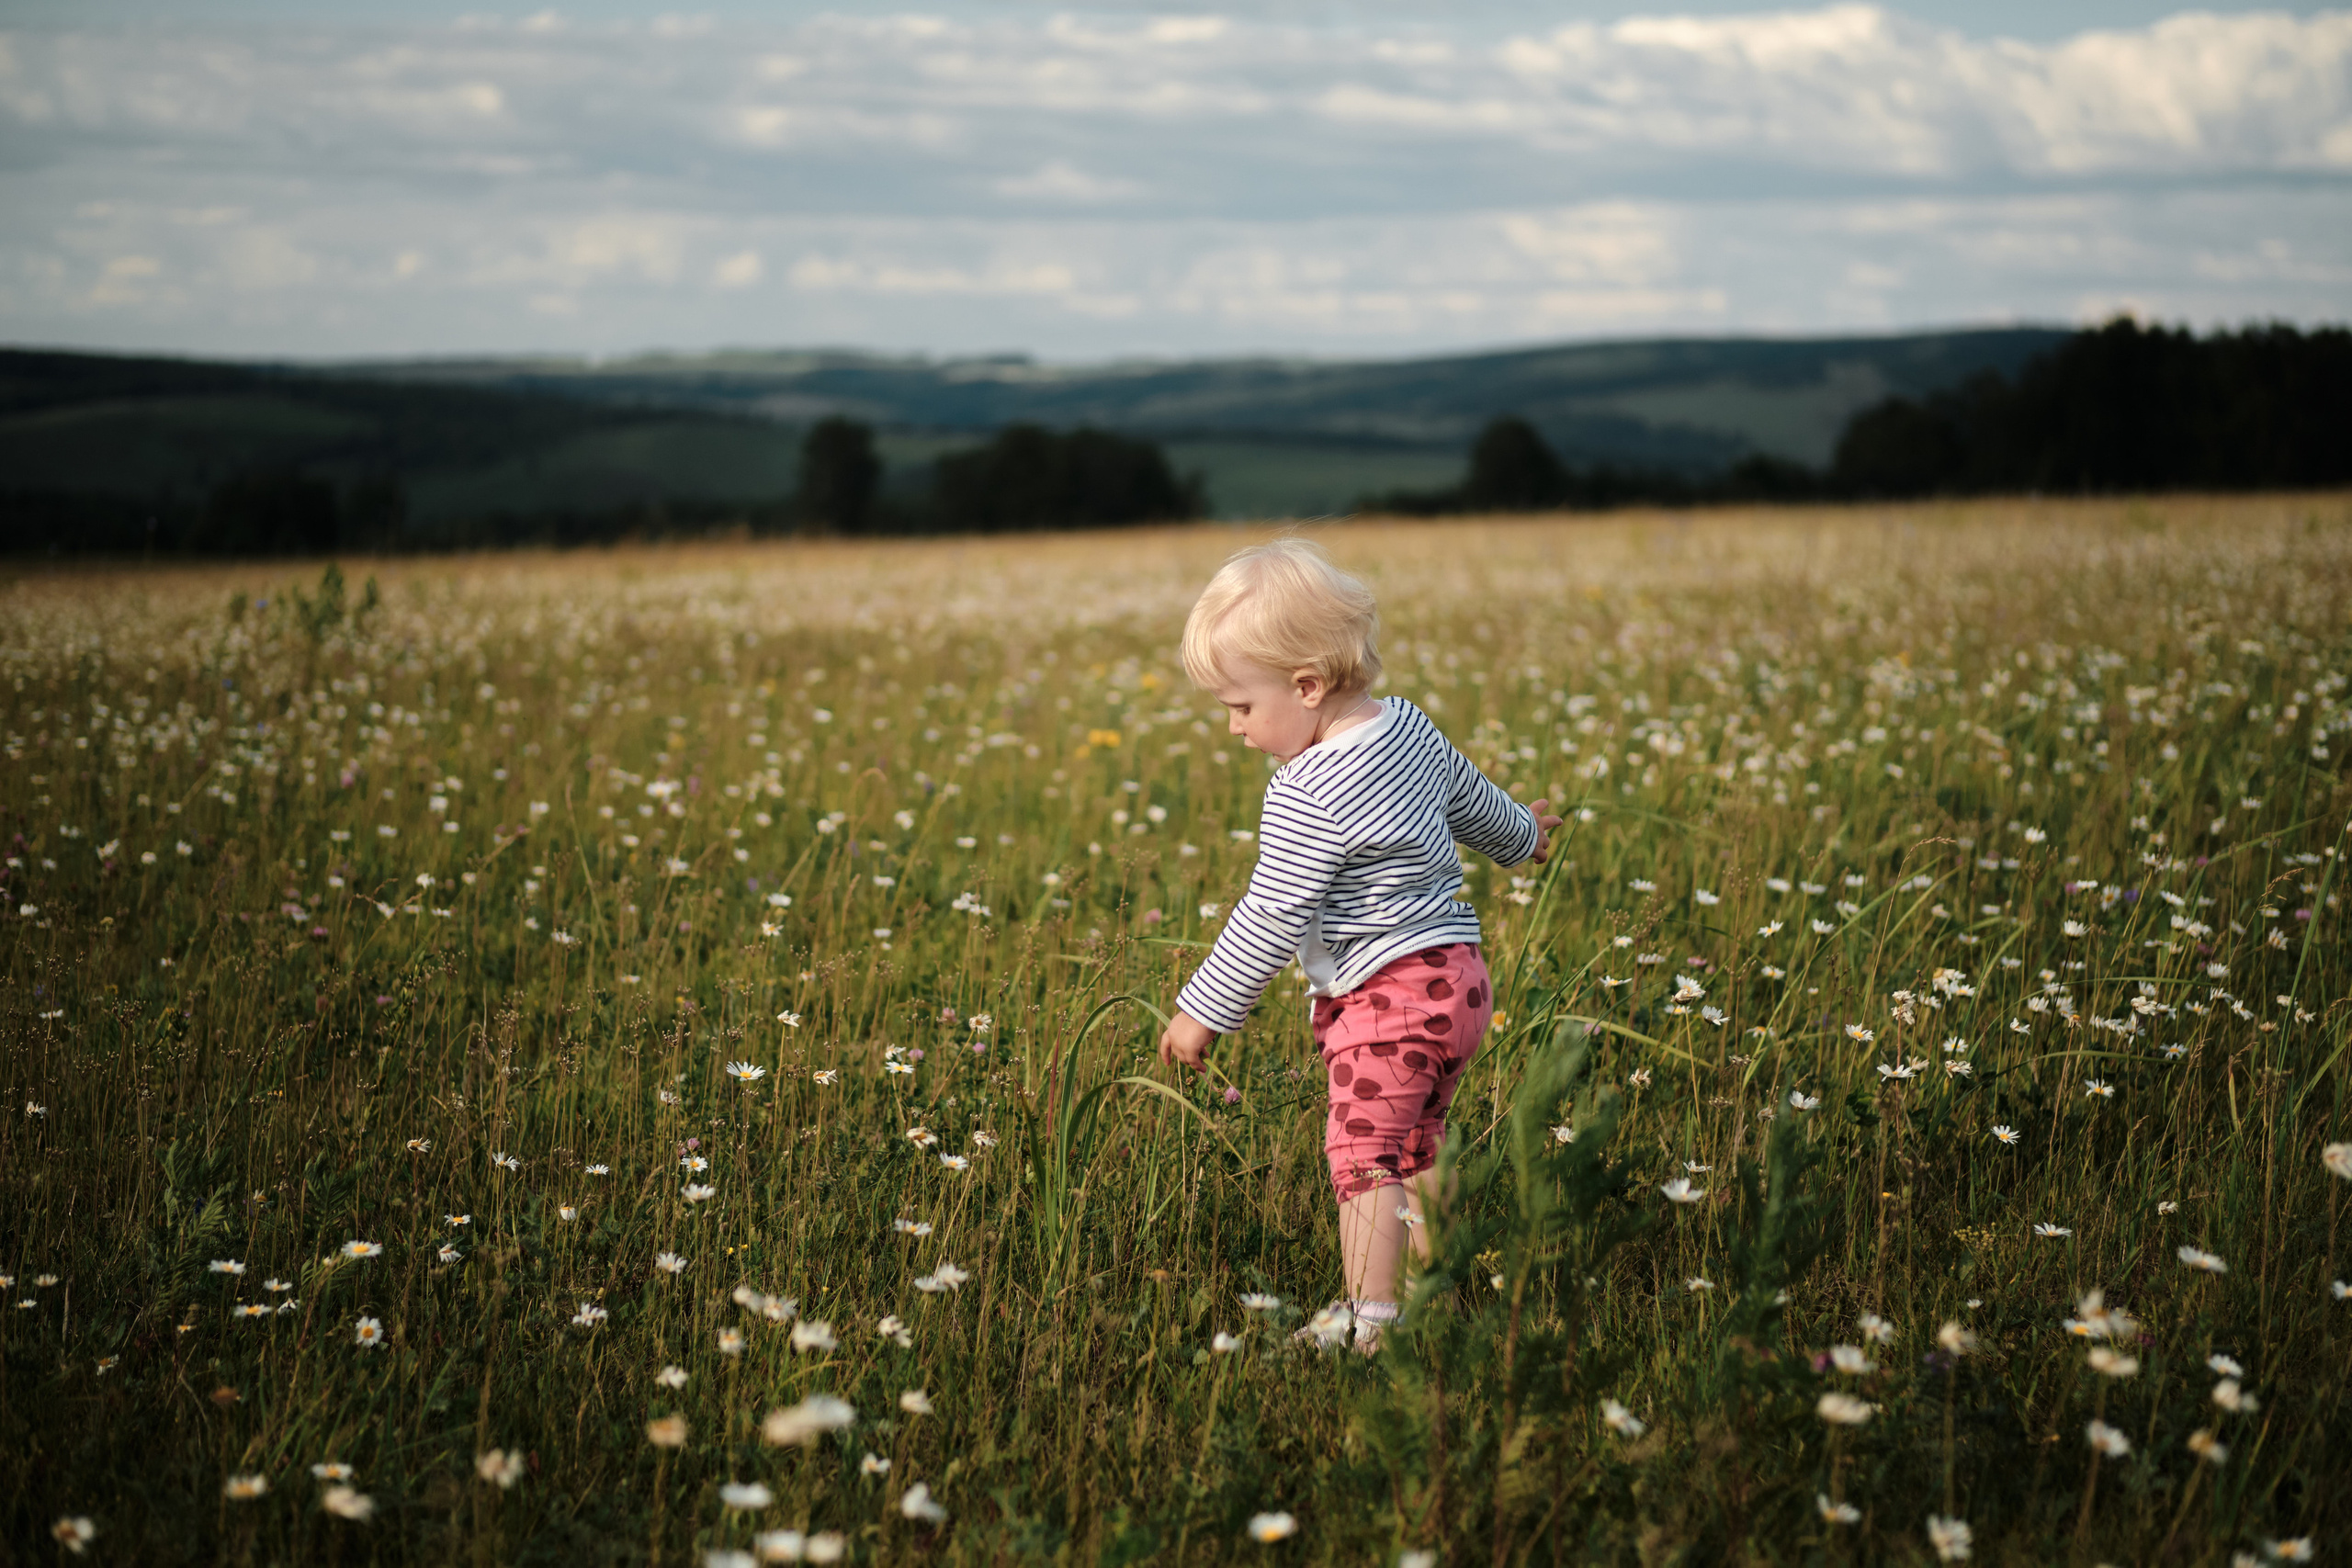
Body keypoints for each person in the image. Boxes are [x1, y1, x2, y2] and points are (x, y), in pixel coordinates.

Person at [1157, 537, 1563, 1349]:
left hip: (1386, 995)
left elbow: (1269, 913)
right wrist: (1524, 838)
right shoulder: (1405, 725)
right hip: (1459, 979)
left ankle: (1371, 1325)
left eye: (1240, 706)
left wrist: (1203, 1013)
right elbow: (1468, 794)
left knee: (1363, 1153)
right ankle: (1440, 1284)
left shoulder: (1309, 790)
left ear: (1307, 686)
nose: (1234, 729)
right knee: (1420, 1142)